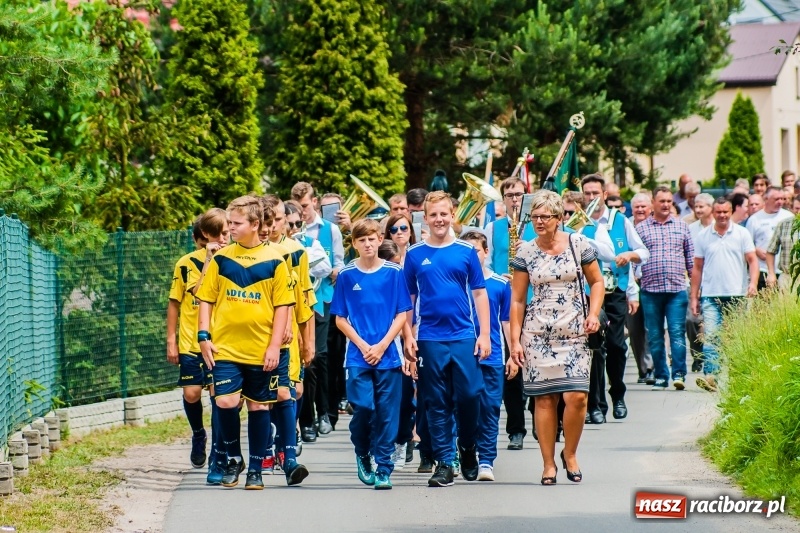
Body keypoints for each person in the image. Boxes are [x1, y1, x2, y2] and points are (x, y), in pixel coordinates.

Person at [197, 196, 308, 490]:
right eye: (229, 223)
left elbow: (284, 305)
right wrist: (203, 336)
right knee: (225, 401)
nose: (229, 228)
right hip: (226, 349)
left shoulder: (276, 260)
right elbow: (206, 298)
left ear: (255, 225)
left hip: (262, 350)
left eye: (235, 223)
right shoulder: (221, 259)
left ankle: (256, 469)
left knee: (260, 408)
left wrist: (274, 347)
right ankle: (234, 458)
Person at [509, 190, 604, 485]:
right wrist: (515, 341)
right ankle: (548, 463)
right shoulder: (525, 251)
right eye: (535, 216)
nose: (538, 221)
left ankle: (570, 453)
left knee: (576, 397)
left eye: (545, 216)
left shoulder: (578, 244)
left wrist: (594, 314)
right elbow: (517, 300)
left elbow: (597, 281)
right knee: (545, 400)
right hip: (537, 334)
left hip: (575, 331)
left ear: (559, 218)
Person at [403, 190, 491, 487]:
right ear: (424, 219)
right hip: (429, 337)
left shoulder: (466, 252)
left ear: (453, 216)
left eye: (444, 214)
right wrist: (407, 336)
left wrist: (485, 334)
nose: (439, 219)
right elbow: (408, 298)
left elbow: (479, 293)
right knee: (435, 401)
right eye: (433, 215)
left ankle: (467, 447)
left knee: (469, 396)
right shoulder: (415, 255)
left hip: (463, 335)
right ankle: (444, 461)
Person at [330, 219, 412, 490]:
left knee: (388, 413)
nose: (367, 244)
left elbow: (402, 313)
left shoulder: (393, 272)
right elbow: (340, 318)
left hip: (388, 355)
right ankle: (363, 451)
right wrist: (365, 346)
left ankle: (384, 467)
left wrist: (382, 344)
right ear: (353, 244)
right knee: (364, 407)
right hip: (357, 355)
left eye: (371, 238)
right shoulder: (346, 275)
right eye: (361, 240)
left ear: (380, 239)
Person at [581, 174, 648, 423]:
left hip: (616, 290)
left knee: (618, 346)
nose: (591, 198)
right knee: (595, 348)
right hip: (589, 293)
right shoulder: (580, 223)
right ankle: (595, 405)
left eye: (595, 193)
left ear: (604, 195)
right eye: (586, 193)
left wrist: (629, 255)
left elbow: (644, 252)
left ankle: (617, 396)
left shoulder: (620, 221)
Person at [167, 209, 229, 478]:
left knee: (219, 397)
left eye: (228, 232)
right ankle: (198, 433)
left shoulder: (233, 260)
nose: (226, 238)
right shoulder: (187, 263)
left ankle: (218, 451)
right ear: (206, 235)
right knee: (192, 393)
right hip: (192, 340)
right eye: (221, 233)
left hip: (222, 342)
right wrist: (171, 339)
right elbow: (190, 296)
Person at [291, 182, 344, 442]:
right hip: (297, 301)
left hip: (322, 298)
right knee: (306, 362)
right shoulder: (293, 230)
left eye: (305, 205)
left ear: (314, 202)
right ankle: (308, 417)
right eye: (298, 205)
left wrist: (333, 269)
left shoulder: (330, 229)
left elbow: (338, 263)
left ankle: (326, 412)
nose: (302, 211)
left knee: (322, 357)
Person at [484, 177, 534, 450]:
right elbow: (487, 262)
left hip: (536, 301)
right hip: (507, 301)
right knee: (511, 365)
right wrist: (500, 277)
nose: (515, 199)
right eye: (510, 195)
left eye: (519, 194)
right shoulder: (493, 228)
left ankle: (544, 420)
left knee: (537, 364)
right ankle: (516, 429)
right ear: (503, 199)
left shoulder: (538, 225)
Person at [462, 230, 515, 482]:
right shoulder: (456, 283)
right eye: (468, 251)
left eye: (478, 251)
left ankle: (486, 460)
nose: (473, 255)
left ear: (486, 253)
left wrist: (513, 353)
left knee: (491, 408)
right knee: (463, 406)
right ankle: (463, 451)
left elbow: (506, 322)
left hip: (492, 356)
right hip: (462, 356)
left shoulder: (500, 284)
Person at [690, 197, 758, 392]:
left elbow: (752, 261)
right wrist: (694, 297)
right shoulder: (703, 236)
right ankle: (711, 376)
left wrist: (752, 284)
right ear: (713, 212)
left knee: (737, 337)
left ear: (731, 212)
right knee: (711, 336)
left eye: (725, 212)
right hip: (711, 294)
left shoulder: (741, 233)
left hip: (736, 293)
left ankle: (738, 376)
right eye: (718, 212)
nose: (722, 216)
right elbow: (697, 267)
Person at [635, 186, 694, 391]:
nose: (666, 204)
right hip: (651, 291)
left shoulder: (681, 226)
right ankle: (661, 375)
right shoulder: (641, 229)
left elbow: (690, 258)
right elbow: (635, 258)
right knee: (655, 334)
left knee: (677, 332)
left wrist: (695, 288)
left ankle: (679, 374)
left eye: (669, 201)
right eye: (662, 201)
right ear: (653, 202)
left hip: (677, 289)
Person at [628, 193, 654, 384]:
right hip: (630, 285)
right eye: (637, 206)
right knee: (635, 329)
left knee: (653, 327)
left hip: (651, 283)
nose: (640, 210)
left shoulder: (656, 226)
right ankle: (643, 368)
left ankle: (654, 366)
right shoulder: (626, 225)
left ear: (650, 207)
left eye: (644, 206)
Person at [686, 193, 713, 373]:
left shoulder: (716, 228)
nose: (698, 209)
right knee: (691, 320)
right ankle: (697, 355)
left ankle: (709, 358)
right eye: (696, 206)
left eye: (702, 206)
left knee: (710, 323)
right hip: (692, 280)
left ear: (710, 208)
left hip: (712, 282)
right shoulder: (690, 228)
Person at [746, 186, 791, 290]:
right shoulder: (754, 219)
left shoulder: (788, 217)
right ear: (766, 199)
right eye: (776, 199)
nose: (780, 202)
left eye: (782, 199)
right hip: (762, 269)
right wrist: (756, 250)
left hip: (783, 271)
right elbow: (747, 244)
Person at [766, 200, 799, 290]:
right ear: (792, 208)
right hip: (787, 276)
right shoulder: (783, 224)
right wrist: (771, 273)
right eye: (797, 208)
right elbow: (770, 251)